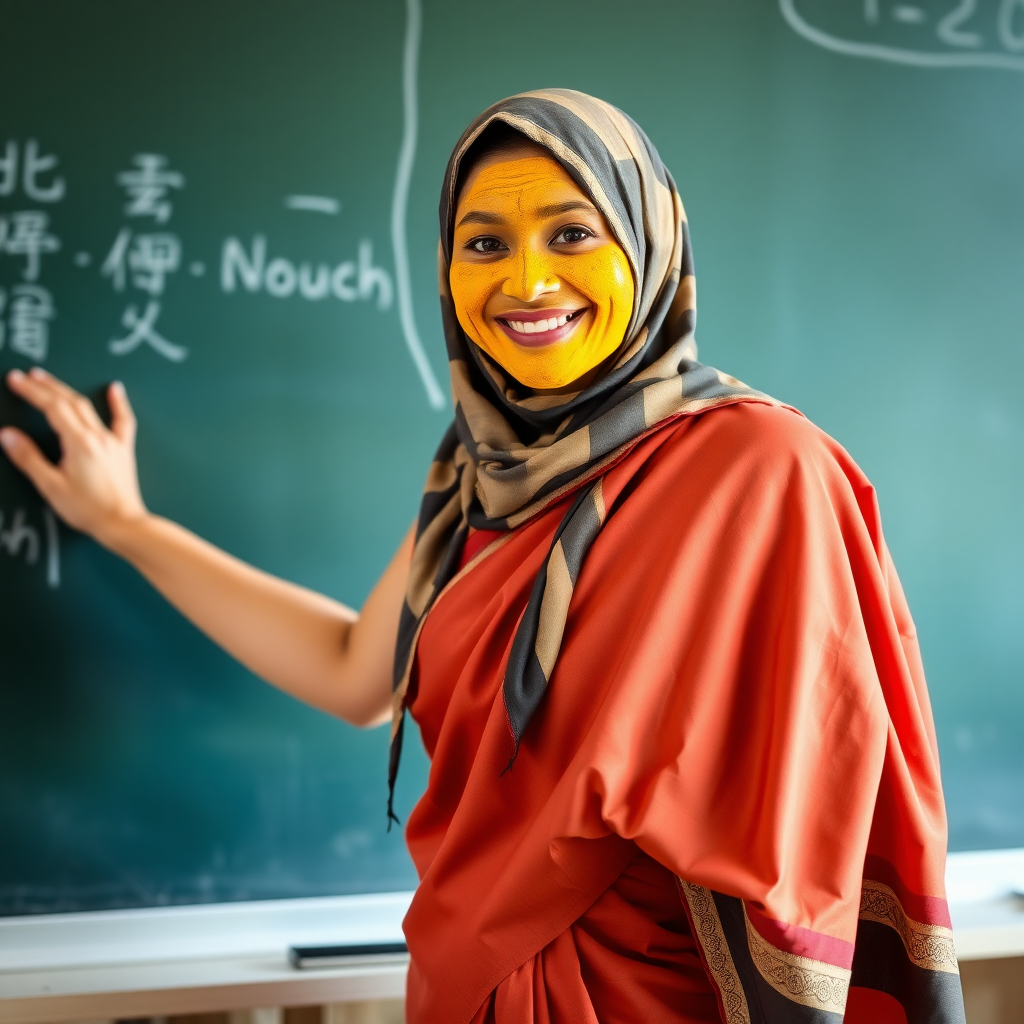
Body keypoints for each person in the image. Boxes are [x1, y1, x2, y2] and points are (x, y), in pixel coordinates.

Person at [1, 90, 965, 1024]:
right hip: (467, 987)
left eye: (572, 233)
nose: (527, 282)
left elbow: (807, 813)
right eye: (484, 244)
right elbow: (354, 672)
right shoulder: (484, 464)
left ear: (652, 239)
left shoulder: (756, 467)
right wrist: (128, 525)